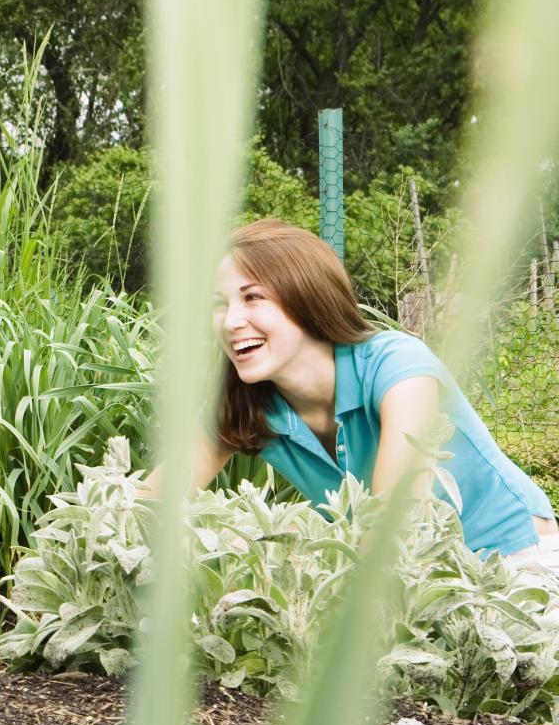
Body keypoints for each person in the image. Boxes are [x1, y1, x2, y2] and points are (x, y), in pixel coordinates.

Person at [161, 218, 559, 572]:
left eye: (253, 297)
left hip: (517, 564)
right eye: (218, 304)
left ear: (307, 297)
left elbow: (393, 526)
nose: (230, 322)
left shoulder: (397, 366)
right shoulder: (242, 404)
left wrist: (277, 547)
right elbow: (149, 501)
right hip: (413, 588)